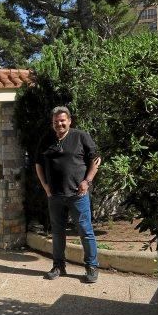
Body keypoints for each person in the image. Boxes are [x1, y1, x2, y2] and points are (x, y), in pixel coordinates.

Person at [35, 106, 101, 283]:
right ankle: (58, 266)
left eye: (62, 120)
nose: (59, 124)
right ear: (52, 123)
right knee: (57, 233)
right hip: (55, 196)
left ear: (69, 121)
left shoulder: (80, 136)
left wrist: (87, 181)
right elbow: (38, 164)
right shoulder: (46, 139)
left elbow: (96, 159)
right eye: (56, 121)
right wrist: (46, 187)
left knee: (85, 231)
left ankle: (91, 267)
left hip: (78, 195)